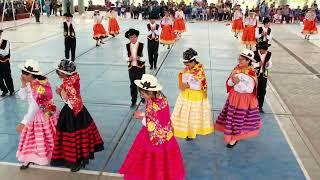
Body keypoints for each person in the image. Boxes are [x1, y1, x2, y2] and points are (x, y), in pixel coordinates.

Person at [119, 74, 185, 180]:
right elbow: (160, 119)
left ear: (149, 92)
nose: (142, 96)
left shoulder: (153, 105)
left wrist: (141, 117)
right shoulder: (162, 99)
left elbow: (152, 123)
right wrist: (146, 116)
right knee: (164, 160)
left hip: (153, 137)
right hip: (166, 135)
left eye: (143, 94)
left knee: (148, 157)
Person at [51, 59, 104, 172]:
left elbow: (70, 102)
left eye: (58, 72)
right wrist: (62, 90)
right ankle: (79, 158)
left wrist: (60, 92)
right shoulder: (74, 77)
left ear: (64, 73)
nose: (57, 73)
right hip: (80, 110)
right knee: (81, 136)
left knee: (71, 137)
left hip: (71, 113)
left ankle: (73, 161)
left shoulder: (68, 83)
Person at [16, 59, 58, 169]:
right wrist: (23, 84)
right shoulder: (32, 83)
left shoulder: (38, 87)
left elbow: (34, 107)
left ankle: (47, 156)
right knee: (35, 138)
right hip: (39, 114)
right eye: (22, 72)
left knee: (43, 138)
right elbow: (22, 96)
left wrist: (24, 122)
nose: (23, 75)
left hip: (41, 116)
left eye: (26, 73)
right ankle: (31, 157)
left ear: (33, 74)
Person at [215, 49, 262, 148]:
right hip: (235, 97)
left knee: (239, 119)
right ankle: (232, 135)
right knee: (231, 117)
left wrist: (238, 82)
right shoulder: (236, 69)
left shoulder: (251, 73)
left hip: (245, 100)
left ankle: (235, 137)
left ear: (248, 61)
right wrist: (233, 81)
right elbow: (229, 83)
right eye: (239, 59)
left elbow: (249, 89)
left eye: (242, 60)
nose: (239, 61)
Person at [171, 48, 213, 141]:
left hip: (196, 96)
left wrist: (188, 85)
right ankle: (186, 130)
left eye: (188, 64)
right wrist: (184, 83)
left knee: (193, 115)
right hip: (186, 94)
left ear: (193, 61)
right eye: (185, 64)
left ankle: (192, 132)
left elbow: (200, 85)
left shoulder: (199, 71)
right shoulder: (187, 69)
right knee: (186, 114)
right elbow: (184, 78)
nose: (186, 66)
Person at [124, 29, 146, 107]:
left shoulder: (142, 45)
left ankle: (143, 97)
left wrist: (139, 58)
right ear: (129, 38)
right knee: (132, 85)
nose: (132, 39)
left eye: (134, 37)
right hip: (131, 68)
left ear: (137, 37)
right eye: (131, 37)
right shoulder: (127, 46)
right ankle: (133, 100)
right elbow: (124, 56)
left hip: (140, 68)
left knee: (141, 84)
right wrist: (128, 59)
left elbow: (145, 58)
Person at [253, 41, 272, 113]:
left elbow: (271, 63)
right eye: (263, 49)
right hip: (255, 75)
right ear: (259, 49)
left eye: (266, 49)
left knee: (263, 91)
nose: (265, 51)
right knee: (255, 90)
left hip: (264, 75)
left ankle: (260, 106)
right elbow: (250, 64)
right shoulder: (254, 53)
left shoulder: (269, 54)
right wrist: (258, 64)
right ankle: (253, 106)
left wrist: (268, 65)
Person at [0, 30, 15, 97]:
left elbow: (5, 53)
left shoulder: (6, 42)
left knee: (7, 77)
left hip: (4, 63)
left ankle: (11, 90)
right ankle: (4, 90)